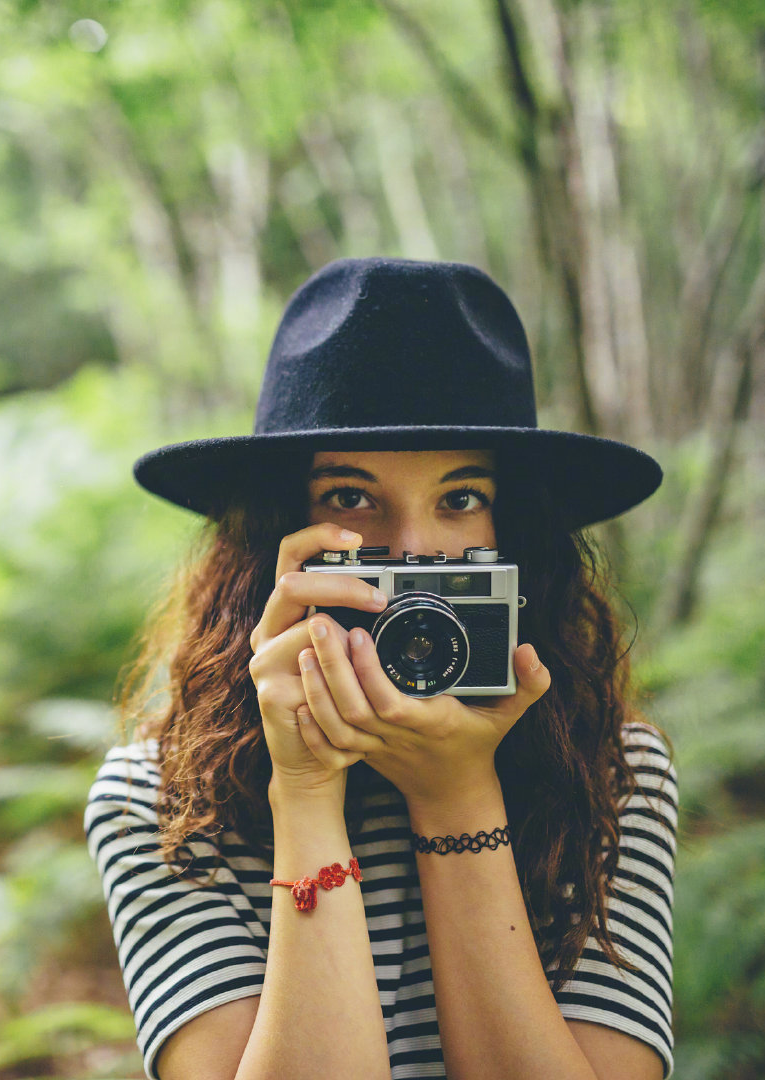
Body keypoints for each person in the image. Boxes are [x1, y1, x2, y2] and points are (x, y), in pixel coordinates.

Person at [85, 257, 678, 1080]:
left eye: (461, 498)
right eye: (354, 498)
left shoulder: (612, 775)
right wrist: (305, 794)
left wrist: (456, 797)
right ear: (278, 534)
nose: (413, 551)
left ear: (517, 536)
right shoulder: (162, 799)